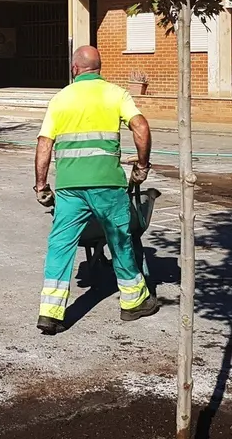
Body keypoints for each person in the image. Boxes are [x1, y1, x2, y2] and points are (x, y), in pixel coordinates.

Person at [33, 45, 159, 335]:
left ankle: (50, 313)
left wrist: (41, 185)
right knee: (120, 239)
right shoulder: (116, 94)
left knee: (60, 244)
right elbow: (140, 126)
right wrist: (141, 166)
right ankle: (134, 301)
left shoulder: (60, 98)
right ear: (99, 68)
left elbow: (44, 144)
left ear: (75, 69)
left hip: (69, 188)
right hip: (108, 185)